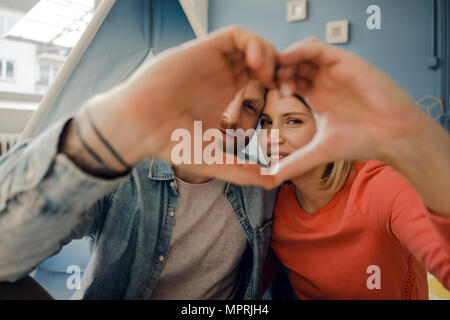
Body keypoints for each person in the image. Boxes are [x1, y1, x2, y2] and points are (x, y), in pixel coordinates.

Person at [0, 26, 279, 299]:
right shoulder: (124, 175)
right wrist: (102, 133)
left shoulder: (261, 184)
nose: (230, 117)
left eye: (249, 106)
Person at [261, 39, 450, 299]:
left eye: (293, 121)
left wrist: (414, 134)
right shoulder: (271, 203)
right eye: (266, 122)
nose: (272, 137)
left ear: (330, 126)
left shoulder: (381, 186)